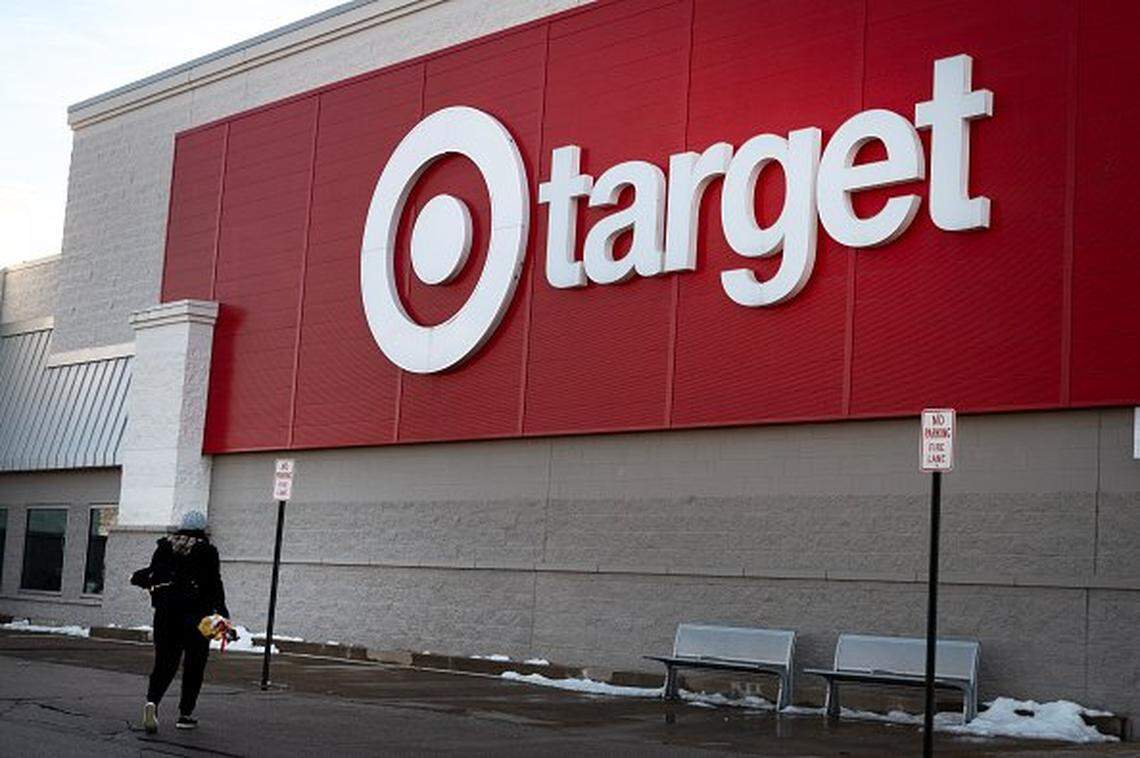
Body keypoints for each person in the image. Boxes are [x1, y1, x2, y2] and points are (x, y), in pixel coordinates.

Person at [130, 510, 230, 734]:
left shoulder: (164, 547)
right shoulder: (207, 551)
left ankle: (152, 703)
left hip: (166, 614)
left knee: (164, 662)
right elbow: (215, 583)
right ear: (202, 529)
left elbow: (154, 574)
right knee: (194, 665)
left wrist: (139, 578)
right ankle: (185, 714)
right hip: (197, 616)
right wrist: (222, 612)